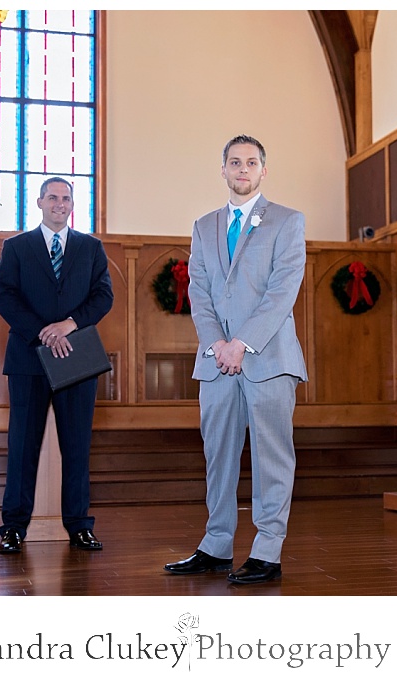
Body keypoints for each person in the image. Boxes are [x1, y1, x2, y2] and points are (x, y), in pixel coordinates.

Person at [164, 134, 307, 584]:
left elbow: (283, 291)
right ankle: (217, 543)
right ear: (222, 170)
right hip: (217, 360)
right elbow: (200, 291)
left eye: (251, 162)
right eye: (234, 162)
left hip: (267, 356)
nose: (242, 169)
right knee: (218, 456)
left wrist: (242, 343)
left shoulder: (287, 221)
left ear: (264, 171)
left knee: (271, 458)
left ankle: (267, 550)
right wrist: (217, 344)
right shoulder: (204, 226)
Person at [0, 177, 113, 555]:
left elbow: (103, 295)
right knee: (22, 446)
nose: (60, 204)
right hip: (28, 358)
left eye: (66, 199)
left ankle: (79, 526)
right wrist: (43, 332)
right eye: (53, 198)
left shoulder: (91, 247)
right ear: (40, 202)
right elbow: (4, 296)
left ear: (72, 205)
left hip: (77, 356)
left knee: (76, 446)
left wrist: (70, 325)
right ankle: (13, 527)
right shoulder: (16, 247)